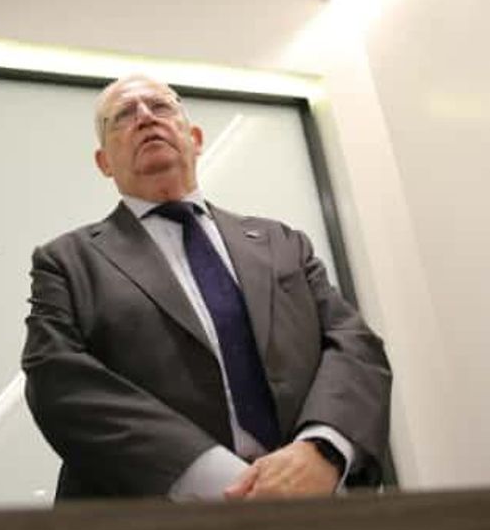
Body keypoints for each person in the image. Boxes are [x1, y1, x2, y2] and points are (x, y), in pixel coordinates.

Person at [22, 75, 392, 501]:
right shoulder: (66, 261)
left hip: (316, 511)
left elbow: (355, 346)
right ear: (104, 161)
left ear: (195, 138)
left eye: (161, 107)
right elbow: (57, 378)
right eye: (123, 115)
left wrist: (322, 451)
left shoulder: (282, 243)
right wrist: (223, 482)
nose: (144, 117)